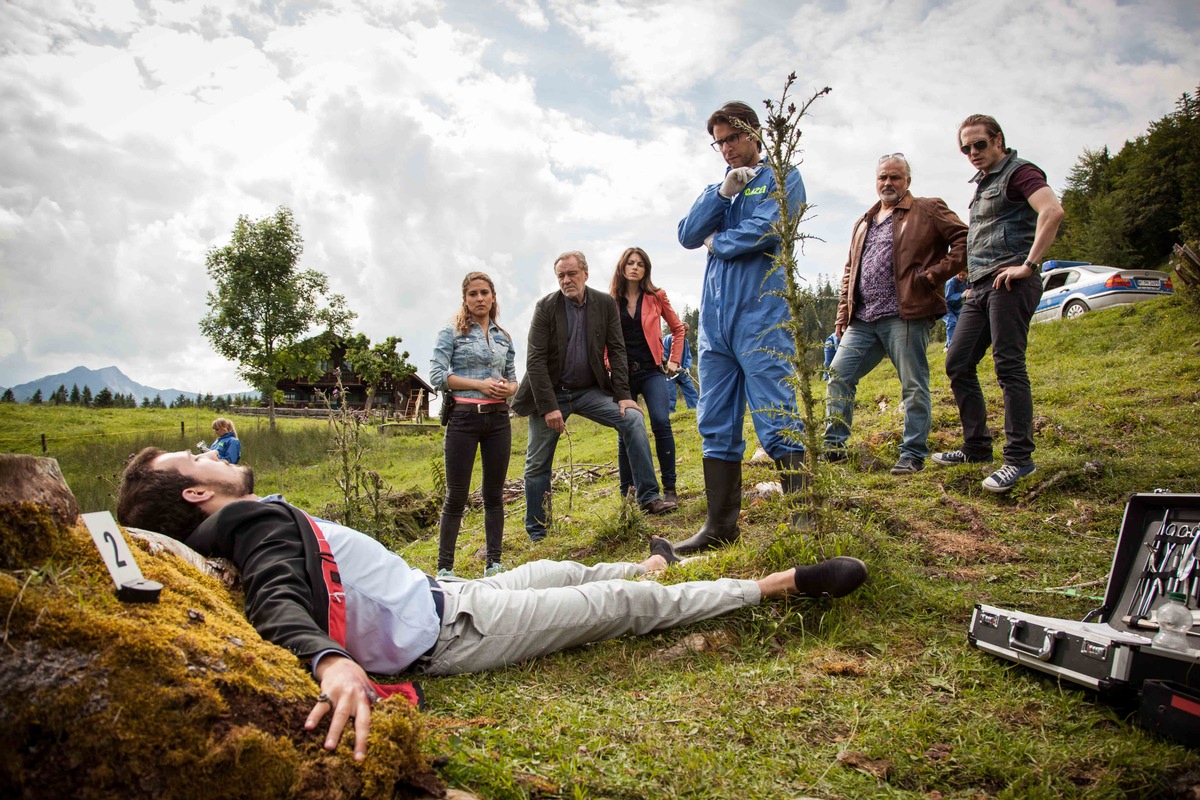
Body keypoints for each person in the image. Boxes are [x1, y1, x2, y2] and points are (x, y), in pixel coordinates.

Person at [115, 446, 869, 761]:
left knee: (558, 567)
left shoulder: (239, 523)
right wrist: (331, 662)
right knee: (618, 604)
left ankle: (652, 559)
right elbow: (280, 599)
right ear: (196, 491)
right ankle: (774, 586)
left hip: (446, 594)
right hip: (453, 631)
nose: (215, 455)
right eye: (199, 460)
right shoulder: (245, 524)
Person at [675, 100, 806, 554]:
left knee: (776, 413)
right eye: (719, 142)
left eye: (733, 137)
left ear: (754, 133)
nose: (727, 148)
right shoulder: (720, 189)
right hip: (715, 325)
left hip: (760, 314)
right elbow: (688, 234)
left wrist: (720, 241)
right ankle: (719, 527)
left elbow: (766, 230)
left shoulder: (782, 177)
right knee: (714, 419)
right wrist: (721, 195)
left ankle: (805, 519)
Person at [933, 115, 1064, 494]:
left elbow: (1052, 211)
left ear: (998, 141)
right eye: (966, 148)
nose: (972, 153)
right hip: (980, 287)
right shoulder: (983, 183)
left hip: (1010, 285)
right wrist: (969, 274)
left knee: (1008, 366)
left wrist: (1029, 265)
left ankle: (1019, 459)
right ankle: (976, 447)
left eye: (979, 144)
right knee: (957, 363)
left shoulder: (1019, 173)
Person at [513, 251, 677, 541]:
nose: (566, 280)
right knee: (537, 463)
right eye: (561, 275)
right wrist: (550, 407)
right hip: (550, 393)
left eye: (571, 273)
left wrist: (625, 396)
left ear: (585, 274)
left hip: (589, 390)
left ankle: (648, 498)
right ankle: (538, 531)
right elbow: (535, 361)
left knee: (634, 420)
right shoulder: (546, 308)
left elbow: (617, 349)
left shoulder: (603, 304)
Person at [824, 154, 968, 475]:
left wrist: (933, 275)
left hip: (905, 315)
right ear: (876, 181)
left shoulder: (927, 210)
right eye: (883, 178)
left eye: (895, 178)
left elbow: (964, 239)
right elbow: (850, 270)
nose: (888, 183)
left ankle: (913, 453)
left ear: (908, 181)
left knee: (913, 385)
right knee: (838, 375)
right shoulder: (863, 222)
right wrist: (842, 317)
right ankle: (833, 447)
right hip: (862, 319)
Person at [429, 272, 518, 579]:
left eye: (484, 293)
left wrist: (508, 388)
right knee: (456, 494)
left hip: (497, 420)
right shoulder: (450, 333)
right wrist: (479, 385)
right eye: (473, 294)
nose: (479, 298)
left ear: (493, 297)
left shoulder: (504, 337)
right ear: (464, 299)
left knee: (494, 494)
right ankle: (445, 568)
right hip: (463, 419)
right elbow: (438, 376)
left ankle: (494, 563)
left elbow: (514, 378)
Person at [609, 247, 687, 504]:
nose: (634, 267)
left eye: (640, 264)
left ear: (646, 269)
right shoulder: (610, 301)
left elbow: (678, 329)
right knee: (626, 431)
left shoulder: (657, 296)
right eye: (630, 263)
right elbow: (600, 340)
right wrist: (607, 363)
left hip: (652, 370)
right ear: (622, 267)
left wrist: (674, 360)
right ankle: (628, 494)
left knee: (661, 422)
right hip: (622, 376)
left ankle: (670, 488)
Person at [663, 324, 699, 412]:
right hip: (670, 373)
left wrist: (687, 368)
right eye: (684, 330)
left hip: (682, 372)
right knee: (671, 394)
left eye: (687, 330)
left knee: (691, 391)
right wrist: (670, 366)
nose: (686, 333)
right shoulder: (668, 339)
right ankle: (670, 413)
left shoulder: (685, 342)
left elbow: (688, 357)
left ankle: (695, 410)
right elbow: (664, 355)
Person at [943, 269, 969, 351]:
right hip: (947, 307)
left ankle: (947, 346)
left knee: (960, 323)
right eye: (959, 274)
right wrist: (961, 295)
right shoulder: (951, 282)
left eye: (963, 275)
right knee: (952, 322)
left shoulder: (967, 282)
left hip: (957, 307)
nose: (961, 277)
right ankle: (952, 347)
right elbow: (948, 299)